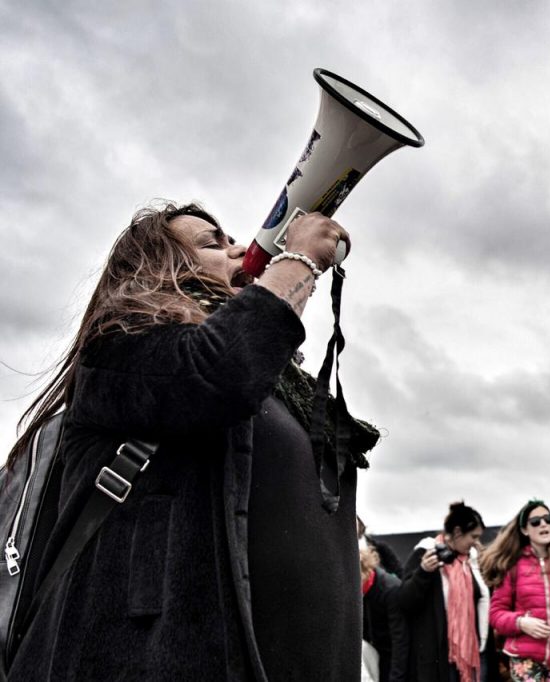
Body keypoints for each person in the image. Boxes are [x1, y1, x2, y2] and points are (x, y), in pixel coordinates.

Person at [6, 202, 369, 680]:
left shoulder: (278, 382)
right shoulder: (120, 348)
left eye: (230, 239)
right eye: (210, 243)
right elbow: (221, 370)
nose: (239, 248)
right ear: (159, 268)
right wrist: (296, 262)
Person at [481, 500, 550, 680]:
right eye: (536, 522)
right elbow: (496, 614)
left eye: (548, 519)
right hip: (524, 656)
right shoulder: (512, 565)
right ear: (525, 530)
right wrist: (521, 622)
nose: (544, 524)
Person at [398, 501, 490, 682]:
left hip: (470, 651)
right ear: (457, 532)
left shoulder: (472, 561)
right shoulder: (426, 552)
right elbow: (405, 601)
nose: (476, 542)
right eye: (473, 536)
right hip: (436, 656)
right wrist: (423, 572)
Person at [362, 546, 410, 682]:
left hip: (393, 653)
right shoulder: (364, 587)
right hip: (378, 651)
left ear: (366, 571)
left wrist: (396, 678)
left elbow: (400, 639)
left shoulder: (389, 588)